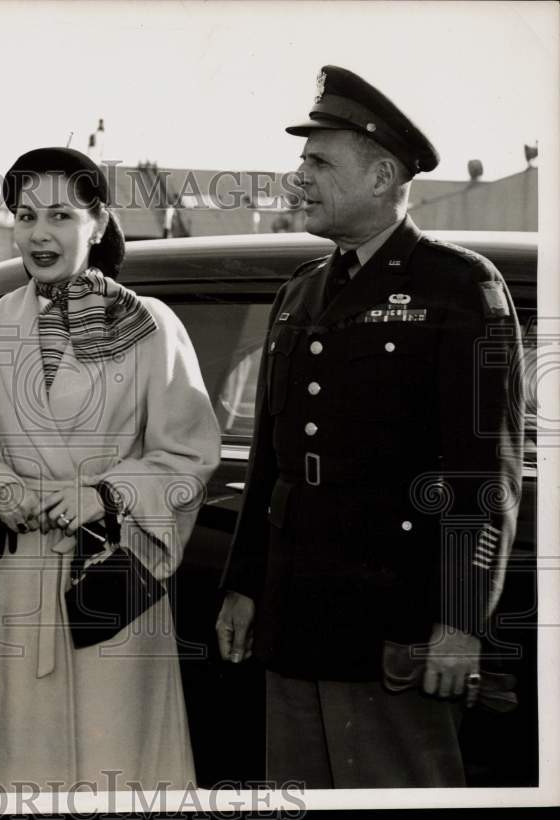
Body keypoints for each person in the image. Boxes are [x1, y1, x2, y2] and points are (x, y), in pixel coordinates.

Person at [215, 65, 524, 788]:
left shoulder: (457, 286)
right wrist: (245, 584)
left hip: (396, 622)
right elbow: (271, 460)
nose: (299, 177)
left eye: (319, 161)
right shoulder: (302, 291)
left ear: (384, 175)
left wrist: (460, 620)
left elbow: (482, 470)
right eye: (302, 160)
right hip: (294, 619)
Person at [0, 147, 220, 791]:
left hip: (111, 582)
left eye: (61, 215)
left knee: (116, 768)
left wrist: (109, 493)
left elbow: (189, 452)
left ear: (99, 224)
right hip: (7, 585)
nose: (39, 234)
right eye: (24, 216)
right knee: (6, 768)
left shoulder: (151, 328)